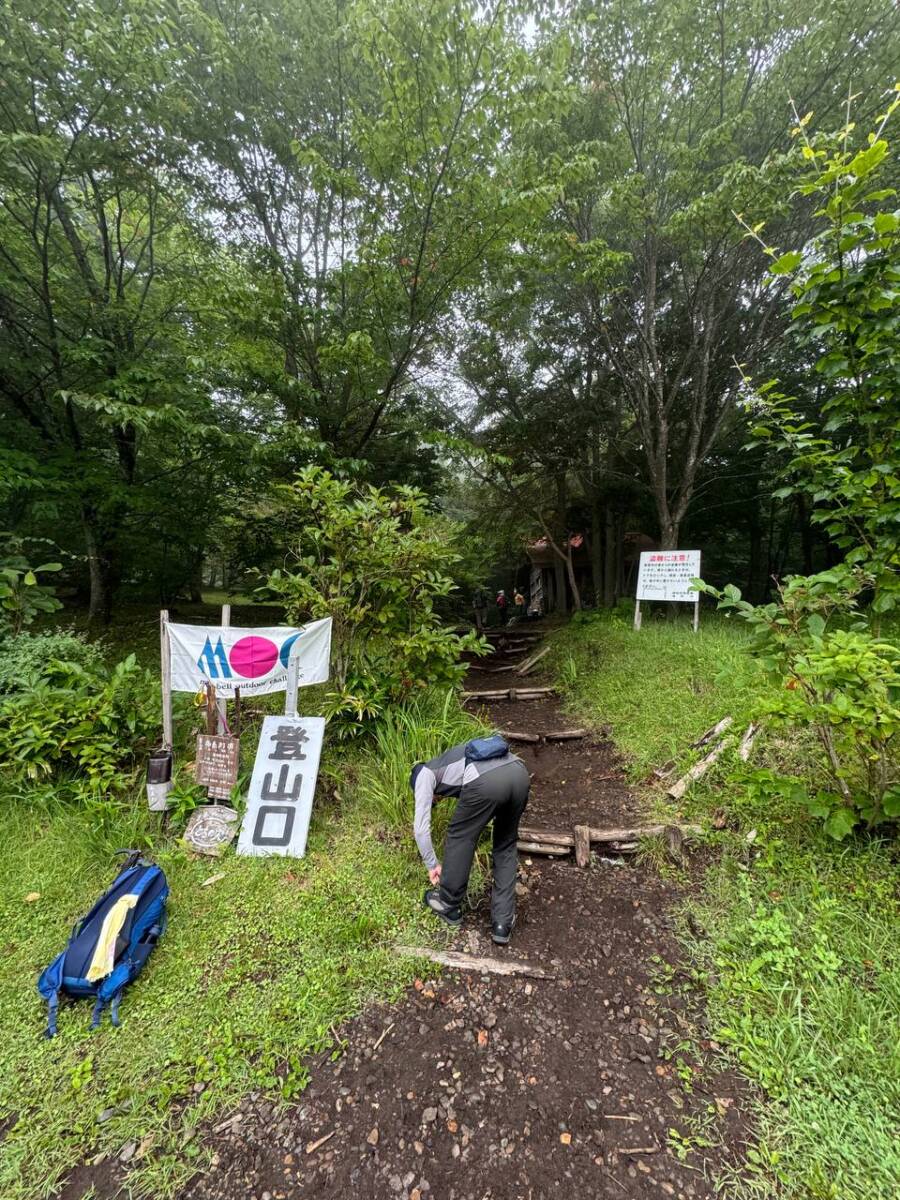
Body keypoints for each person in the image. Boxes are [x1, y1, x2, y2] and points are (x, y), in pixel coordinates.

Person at [410, 737, 530, 944]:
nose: (434, 802)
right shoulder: (451, 759)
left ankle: (448, 903)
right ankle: (502, 923)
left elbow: (420, 830)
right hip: (519, 773)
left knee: (461, 836)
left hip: (487, 781)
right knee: (506, 845)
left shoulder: (423, 774)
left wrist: (432, 865)